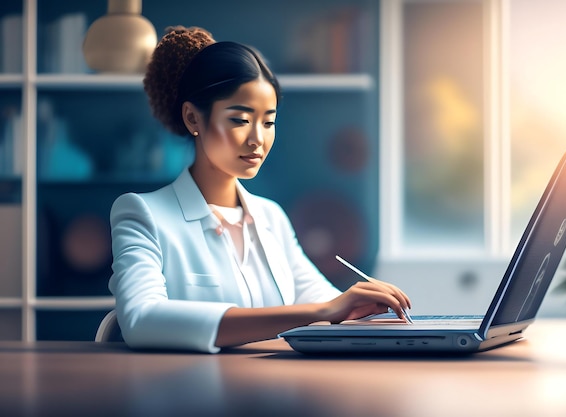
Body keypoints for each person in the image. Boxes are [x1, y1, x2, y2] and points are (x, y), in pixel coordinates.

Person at [109, 26, 412, 353]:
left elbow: (327, 302)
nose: (257, 139)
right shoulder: (143, 214)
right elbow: (141, 319)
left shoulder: (270, 217)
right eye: (240, 120)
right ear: (193, 118)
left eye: (268, 122)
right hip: (188, 394)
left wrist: (366, 309)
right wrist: (322, 312)